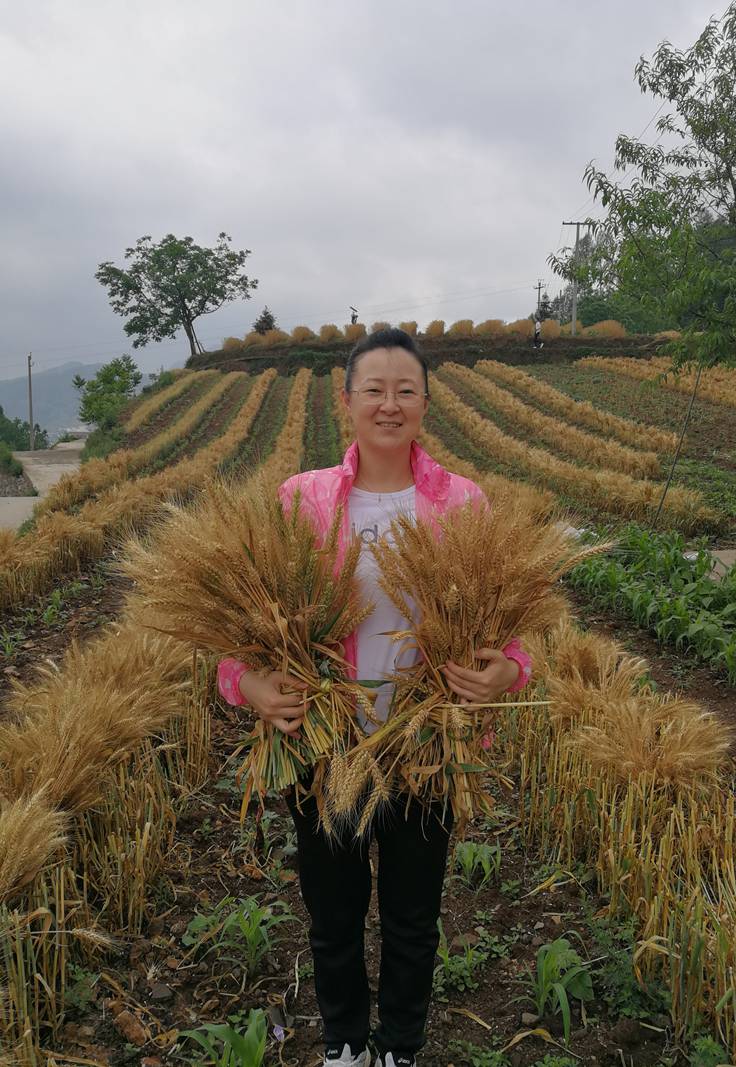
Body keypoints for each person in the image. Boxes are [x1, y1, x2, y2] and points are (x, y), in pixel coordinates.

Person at [216, 328, 532, 1067]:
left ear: (425, 402)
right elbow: (236, 642)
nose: (390, 403)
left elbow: (514, 641)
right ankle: (345, 1044)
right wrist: (249, 686)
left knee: (413, 916)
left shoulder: (464, 504)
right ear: (347, 400)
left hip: (426, 744)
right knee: (333, 912)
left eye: (406, 390)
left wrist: (503, 676)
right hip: (325, 743)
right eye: (375, 389)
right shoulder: (302, 500)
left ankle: (399, 1047)